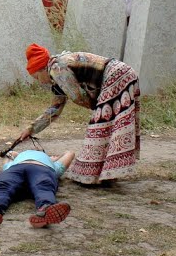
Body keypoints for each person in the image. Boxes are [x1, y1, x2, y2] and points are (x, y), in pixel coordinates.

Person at [12, 44, 141, 185]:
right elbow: (55, 108)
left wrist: (96, 108)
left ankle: (94, 175)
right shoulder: (57, 73)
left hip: (116, 75)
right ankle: (105, 173)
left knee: (101, 124)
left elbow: (78, 96)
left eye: (37, 77)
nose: (39, 81)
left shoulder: (57, 69)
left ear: (42, 68)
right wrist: (31, 129)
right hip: (123, 73)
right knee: (107, 124)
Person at [0, 148, 76, 228]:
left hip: (32, 169)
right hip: (25, 170)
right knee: (6, 187)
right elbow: (8, 155)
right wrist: (12, 154)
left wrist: (52, 158)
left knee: (39, 186)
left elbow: (70, 153)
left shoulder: (53, 165)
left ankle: (46, 210)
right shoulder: (51, 164)